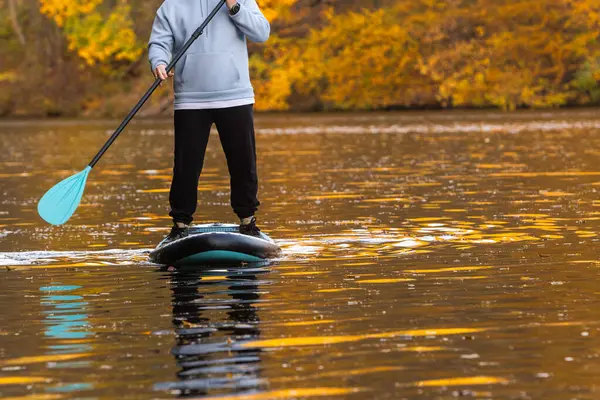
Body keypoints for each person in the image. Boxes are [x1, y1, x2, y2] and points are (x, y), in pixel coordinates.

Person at [148, 0, 270, 244]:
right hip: (191, 99)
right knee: (186, 166)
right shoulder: (172, 5)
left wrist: (234, 6)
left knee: (243, 161)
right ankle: (180, 224)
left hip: (235, 95)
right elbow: (160, 41)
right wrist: (159, 62)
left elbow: (261, 33)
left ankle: (247, 220)